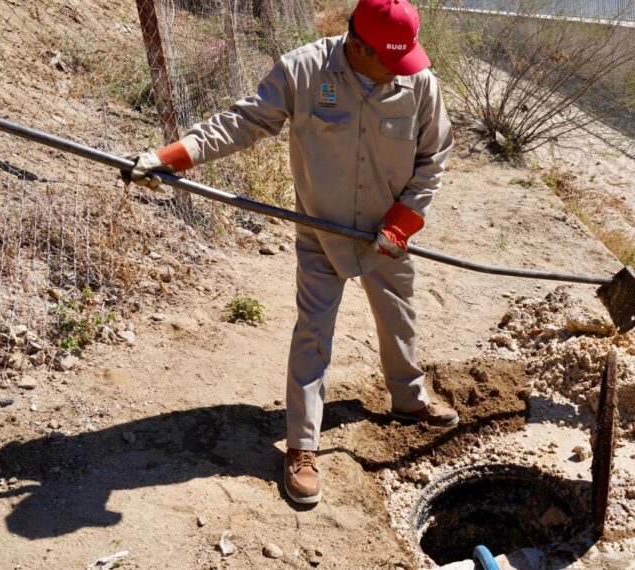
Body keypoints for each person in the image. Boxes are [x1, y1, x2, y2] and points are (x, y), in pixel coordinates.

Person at [125, 0, 455, 506]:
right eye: (388, 59)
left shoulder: (419, 83)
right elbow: (240, 123)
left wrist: (402, 222)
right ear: (358, 44)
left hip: (389, 236)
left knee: (399, 318)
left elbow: (433, 158)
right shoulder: (303, 71)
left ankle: (409, 401)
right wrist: (169, 158)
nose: (399, 70)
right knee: (313, 333)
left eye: (404, 59)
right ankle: (301, 446)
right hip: (320, 232)